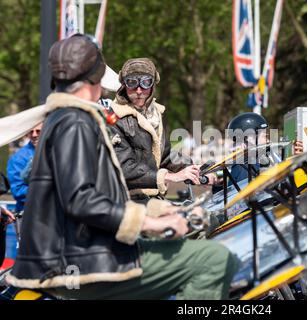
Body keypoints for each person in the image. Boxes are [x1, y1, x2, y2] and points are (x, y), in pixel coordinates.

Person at [6, 34, 238, 300]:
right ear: (95, 78)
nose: (137, 89)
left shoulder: (66, 118)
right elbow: (81, 199)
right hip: (77, 262)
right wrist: (150, 223)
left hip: (74, 252)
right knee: (214, 258)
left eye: (145, 83)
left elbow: (103, 190)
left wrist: (163, 208)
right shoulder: (77, 122)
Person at [108, 58, 217, 203]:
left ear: (153, 85)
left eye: (145, 82)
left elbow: (165, 154)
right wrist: (169, 176)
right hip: (125, 200)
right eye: (132, 83)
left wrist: (195, 170)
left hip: (152, 198)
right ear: (123, 85)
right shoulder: (113, 117)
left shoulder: (154, 114)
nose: (139, 90)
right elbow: (124, 168)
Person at [6, 123, 42, 212]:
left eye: (38, 131)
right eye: (31, 131)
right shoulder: (18, 158)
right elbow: (18, 191)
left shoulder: (59, 152)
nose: (34, 135)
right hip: (30, 215)